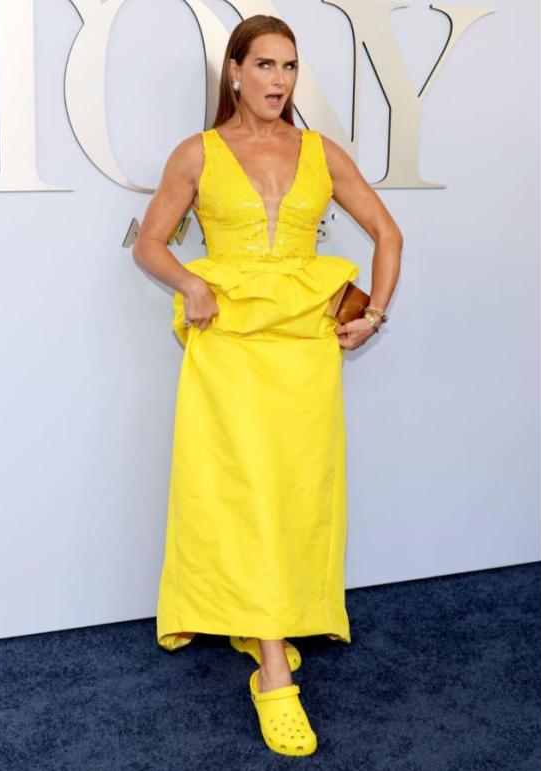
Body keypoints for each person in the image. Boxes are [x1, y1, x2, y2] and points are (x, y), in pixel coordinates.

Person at [132, 15, 401, 757]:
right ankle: (273, 672)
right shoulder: (197, 153)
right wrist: (188, 282)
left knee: (294, 493)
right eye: (264, 65)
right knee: (239, 491)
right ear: (234, 73)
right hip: (228, 353)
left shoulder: (320, 152)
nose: (278, 81)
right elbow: (149, 243)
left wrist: (372, 313)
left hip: (305, 354)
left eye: (288, 66)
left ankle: (262, 617)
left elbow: (387, 233)